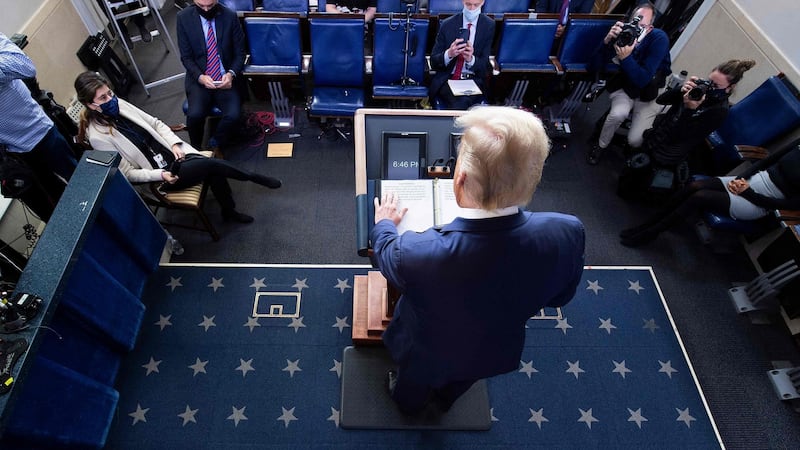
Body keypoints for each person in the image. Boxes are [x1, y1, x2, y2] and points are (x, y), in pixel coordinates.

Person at [371, 106, 586, 415]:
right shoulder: (567, 232)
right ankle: (444, 403)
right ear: (533, 179)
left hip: (426, 349)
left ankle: (408, 404)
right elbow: (560, 296)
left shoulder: (418, 252)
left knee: (412, 386)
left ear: (459, 178)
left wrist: (384, 224)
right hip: (492, 348)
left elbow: (387, 255)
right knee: (461, 382)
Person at [74, 71, 281, 224]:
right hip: (163, 177)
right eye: (103, 98)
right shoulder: (98, 137)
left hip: (175, 154)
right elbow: (128, 174)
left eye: (110, 93)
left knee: (210, 166)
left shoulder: (120, 104)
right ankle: (251, 179)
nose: (110, 100)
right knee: (210, 165)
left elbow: (155, 123)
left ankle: (229, 210)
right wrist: (160, 175)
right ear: (90, 105)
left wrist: (174, 143)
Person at [616, 59, 756, 200]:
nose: (710, 87)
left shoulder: (720, 110)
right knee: (632, 171)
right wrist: (681, 89)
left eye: (716, 85)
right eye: (709, 81)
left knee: (638, 187)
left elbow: (681, 136)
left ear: (729, 88)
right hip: (659, 135)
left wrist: (689, 110)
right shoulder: (697, 90)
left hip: (671, 149)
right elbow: (661, 100)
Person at [619, 142, 800, 247]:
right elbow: (769, 160)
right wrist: (741, 179)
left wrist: (749, 193)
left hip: (758, 203)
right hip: (748, 182)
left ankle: (651, 233)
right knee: (694, 186)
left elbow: (789, 205)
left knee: (700, 196)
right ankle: (648, 224)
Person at [0, 32, 77, 222]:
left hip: (40, 131)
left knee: (83, 181)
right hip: (12, 154)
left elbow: (26, 67)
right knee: (57, 210)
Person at [587, 2, 671, 165]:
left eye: (643, 26)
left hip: (648, 93)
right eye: (635, 23)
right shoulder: (623, 34)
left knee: (634, 140)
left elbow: (643, 79)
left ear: (650, 27)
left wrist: (626, 58)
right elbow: (593, 67)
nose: (637, 29)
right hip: (625, 87)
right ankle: (600, 145)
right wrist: (606, 42)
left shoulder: (659, 39)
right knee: (618, 114)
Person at [177, 0, 246, 152]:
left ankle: (214, 143)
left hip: (225, 78)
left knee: (233, 115)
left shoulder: (230, 16)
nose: (207, 10)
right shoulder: (183, 18)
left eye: (210, 6)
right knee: (194, 115)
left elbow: (240, 53)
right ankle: (195, 149)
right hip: (200, 79)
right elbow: (186, 58)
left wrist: (231, 74)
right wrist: (200, 77)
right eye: (202, 6)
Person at [428, 0, 495, 110]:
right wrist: (449, 54)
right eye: (468, 4)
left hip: (473, 80)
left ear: (482, 2)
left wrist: (471, 59)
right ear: (463, 1)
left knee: (467, 102)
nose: (472, 9)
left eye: (476, 5)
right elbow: (433, 62)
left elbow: (484, 66)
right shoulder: (447, 24)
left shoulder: (488, 25)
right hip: (449, 79)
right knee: (461, 103)